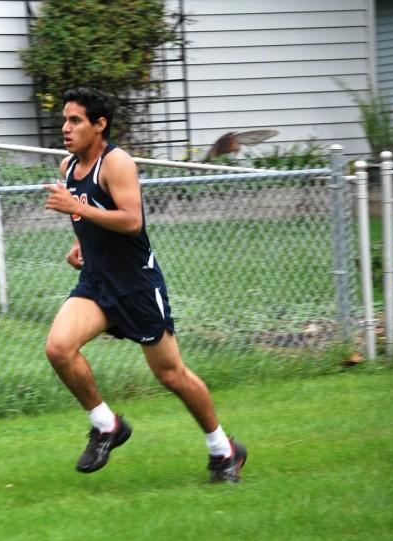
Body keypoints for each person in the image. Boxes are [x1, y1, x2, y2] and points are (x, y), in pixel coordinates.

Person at [42, 87, 247, 482]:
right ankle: (107, 425)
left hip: (136, 287)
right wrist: (79, 244)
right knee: (58, 348)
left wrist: (76, 208)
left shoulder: (116, 162)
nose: (65, 128)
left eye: (75, 120)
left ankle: (224, 452)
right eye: (64, 120)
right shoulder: (68, 166)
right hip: (97, 284)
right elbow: (90, 218)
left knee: (171, 376)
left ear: (100, 125)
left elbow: (132, 220)